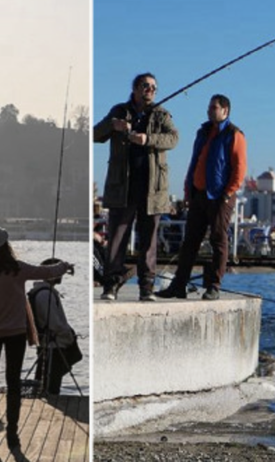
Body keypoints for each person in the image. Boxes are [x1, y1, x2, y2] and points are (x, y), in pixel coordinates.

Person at [0, 224, 73, 451]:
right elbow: (46, 272)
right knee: (13, 383)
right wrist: (65, 266)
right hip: (15, 334)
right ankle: (12, 434)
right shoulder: (17, 269)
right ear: (4, 245)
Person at [94, 72, 179, 301]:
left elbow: (173, 138)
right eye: (146, 85)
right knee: (117, 238)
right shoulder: (119, 111)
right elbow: (95, 134)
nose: (150, 90)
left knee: (149, 241)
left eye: (154, 87)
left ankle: (146, 287)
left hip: (153, 190)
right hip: (122, 187)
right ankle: (111, 285)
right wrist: (113, 125)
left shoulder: (161, 114)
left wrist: (147, 139)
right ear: (134, 88)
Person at [157, 94, 247, 300]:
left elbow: (239, 168)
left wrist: (227, 193)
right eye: (209, 107)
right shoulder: (203, 132)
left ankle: (214, 286)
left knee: (218, 240)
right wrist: (188, 190)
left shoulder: (234, 135)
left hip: (219, 196)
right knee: (190, 241)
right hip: (198, 194)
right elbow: (195, 161)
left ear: (225, 111)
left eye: (214, 107)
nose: (209, 111)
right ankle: (178, 285)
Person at [29, 258, 82, 395]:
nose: (61, 275)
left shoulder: (42, 292)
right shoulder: (45, 295)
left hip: (49, 343)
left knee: (46, 379)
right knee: (50, 383)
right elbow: (54, 323)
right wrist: (68, 336)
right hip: (53, 346)